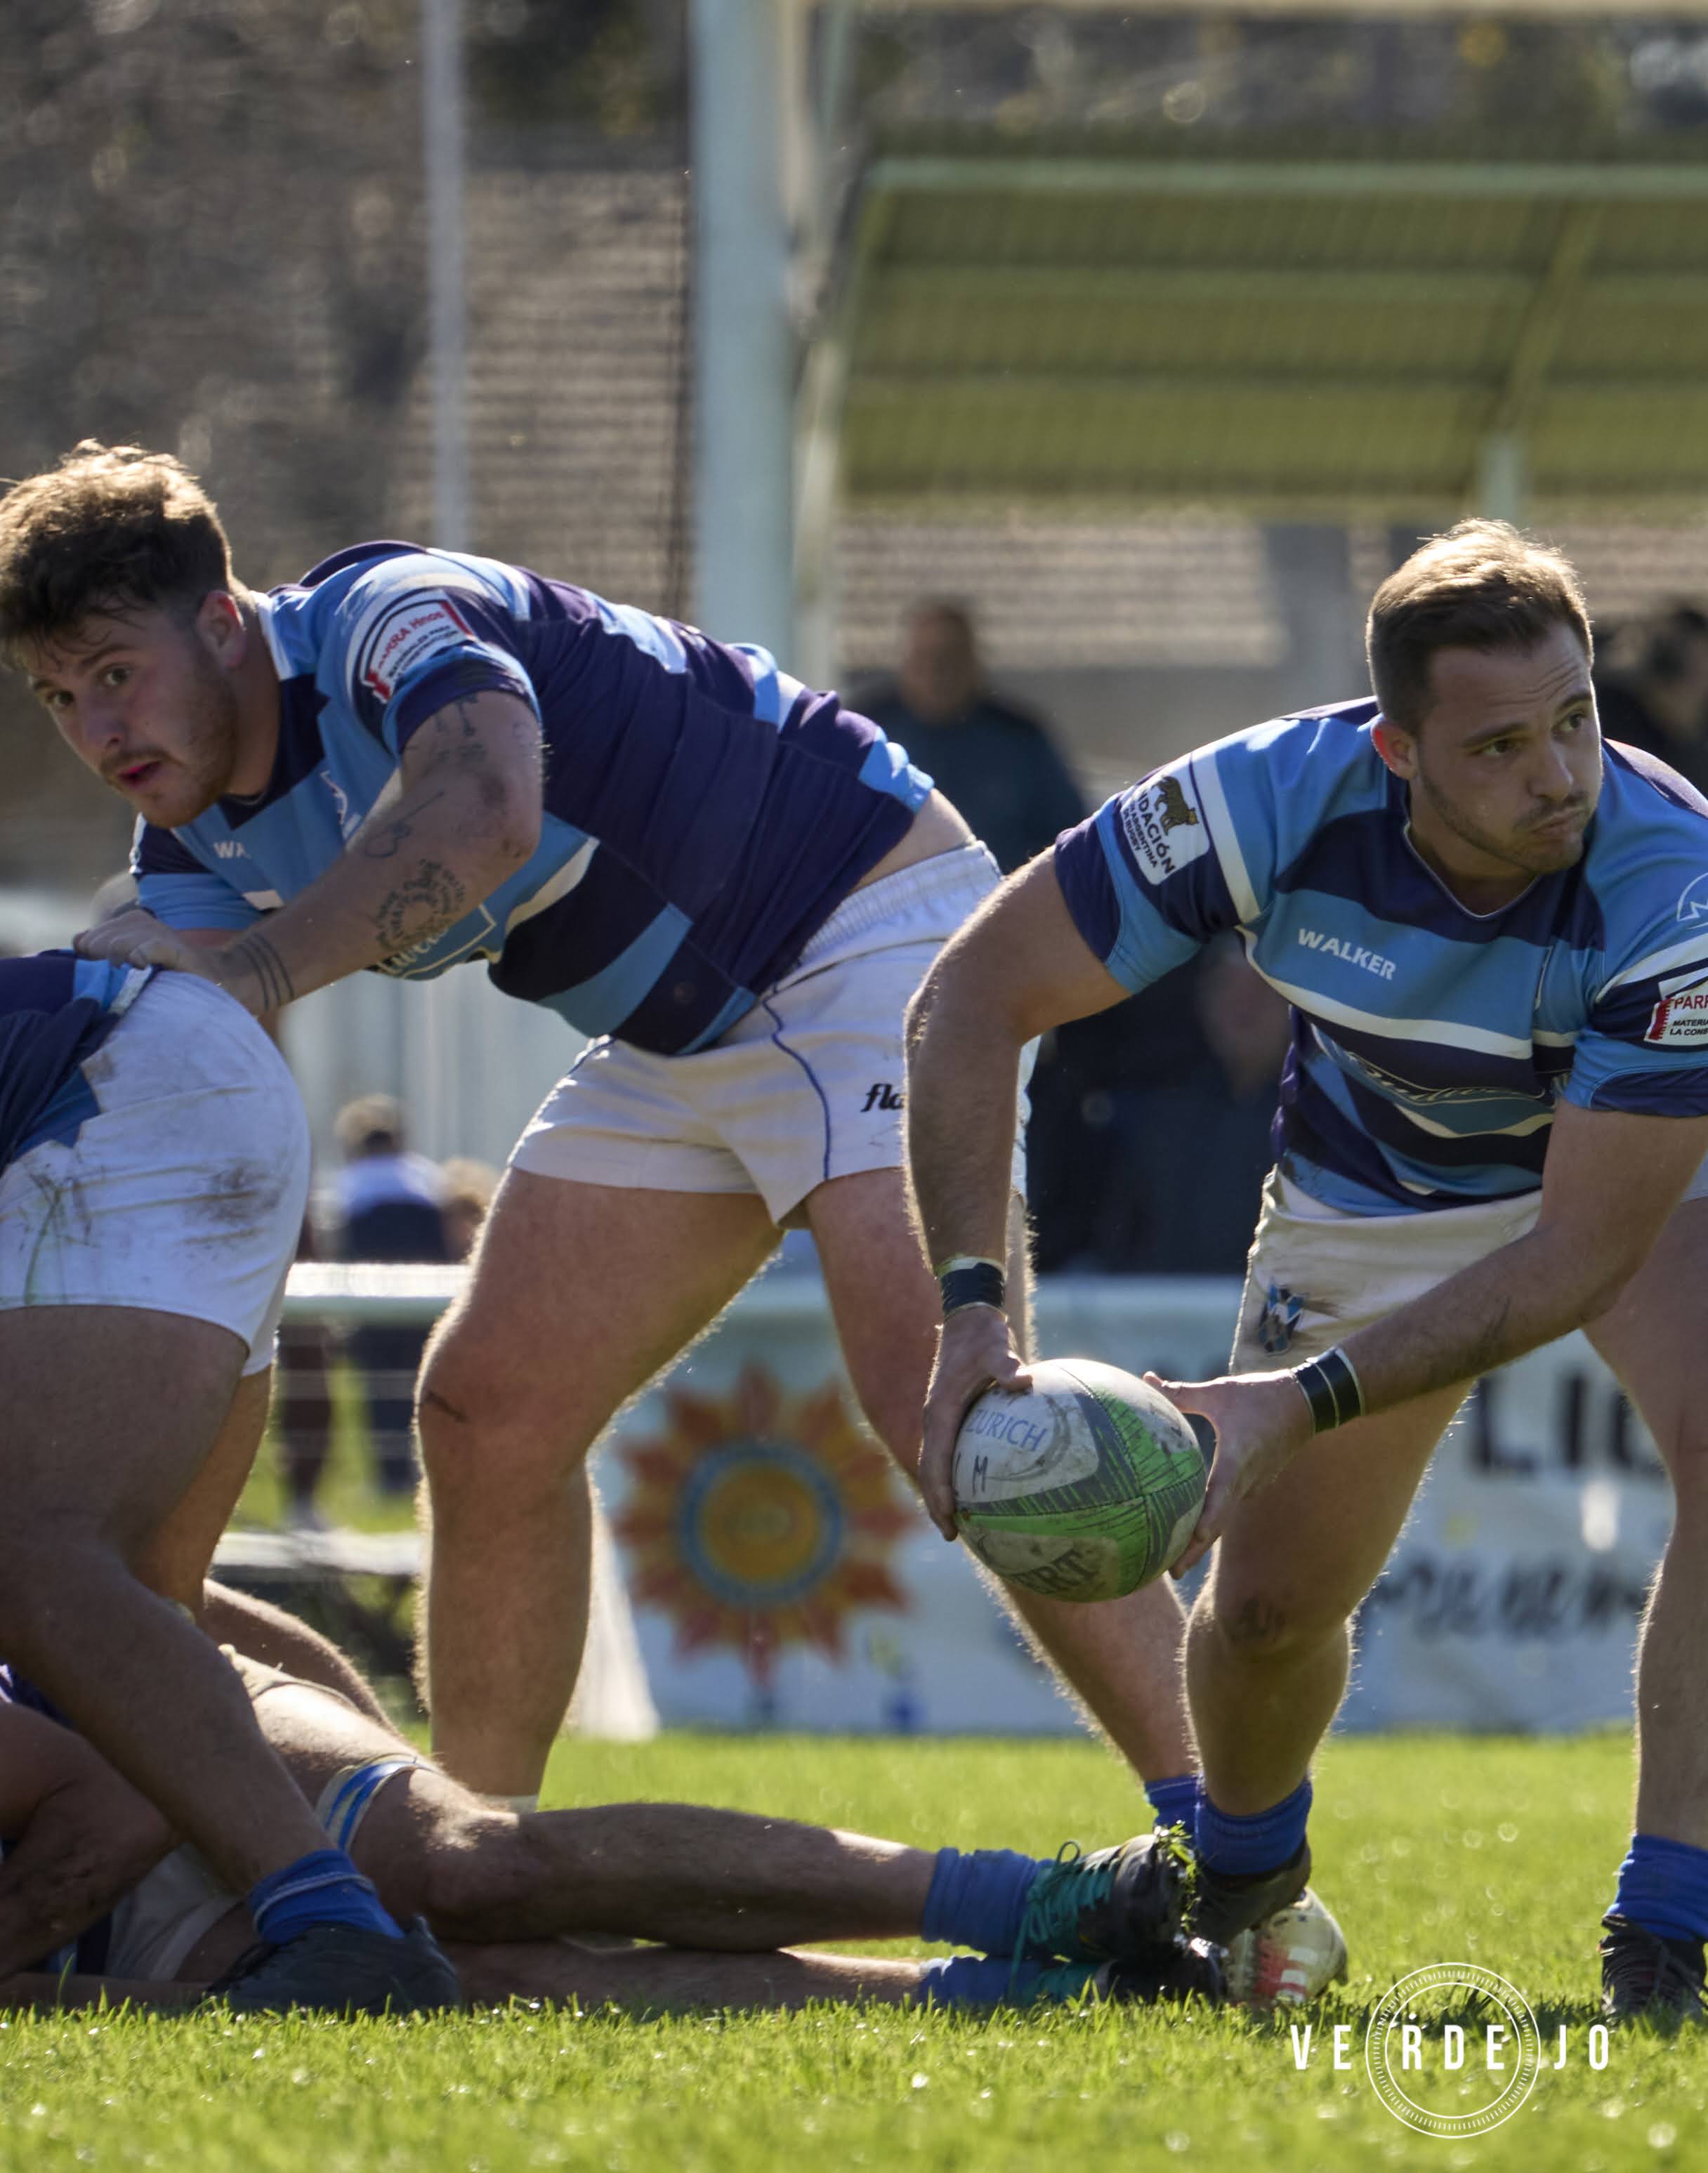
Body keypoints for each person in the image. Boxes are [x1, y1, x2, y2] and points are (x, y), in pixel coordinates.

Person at [1, 444, 1195, 1844]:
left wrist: (260, 971)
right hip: (691, 1031)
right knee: (485, 1410)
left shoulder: (387, 615)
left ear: (220, 619)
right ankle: (479, 1869)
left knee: (949, 1407)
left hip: (868, 929)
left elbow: (488, 809)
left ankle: (1235, 1844)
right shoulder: (187, 855)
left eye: (114, 670)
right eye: (56, 695)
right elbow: (193, 1140)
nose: (95, 726)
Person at [906, 521, 1708, 2025]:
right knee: (1265, 1618)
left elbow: (1583, 1252)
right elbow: (970, 1002)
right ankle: (1248, 1890)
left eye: (1578, 719)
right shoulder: (1255, 801)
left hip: (1635, 1157)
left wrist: (1293, 1398)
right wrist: (970, 1309)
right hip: (1370, 1177)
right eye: (1503, 744)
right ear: (1394, 748)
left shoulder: (1684, 879)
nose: (1561, 776)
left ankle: (1661, 1948)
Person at [0, 950, 455, 2013]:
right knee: (134, 1588)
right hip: (159, 1075)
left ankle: (336, 1915)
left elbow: (110, 1802)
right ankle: (932, 1970)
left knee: (43, 1556)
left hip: (131, 1085)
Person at [0, 1621, 1214, 2013]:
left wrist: (370, 1747)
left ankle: (1041, 1897)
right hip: (69, 1917)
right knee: (474, 1980)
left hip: (129, 1728)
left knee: (471, 1867)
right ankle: (1021, 1992)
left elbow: (113, 1791)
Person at [1088, 937, 1293, 1274]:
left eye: (1262, 988)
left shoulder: (1322, 1124)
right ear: (1202, 999)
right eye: (1226, 986)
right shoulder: (1157, 1120)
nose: (1243, 1005)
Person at [848, 598, 1089, 876]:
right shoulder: (868, 735)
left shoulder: (1020, 740)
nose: (935, 672)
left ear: (973, 662)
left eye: (949, 658)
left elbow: (1068, 841)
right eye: (924, 657)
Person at [327, 1095, 457, 1505]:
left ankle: (391, 1479)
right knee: (424, 1389)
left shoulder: (350, 1186)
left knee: (381, 1393)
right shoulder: (426, 1179)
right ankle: (429, 1477)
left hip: (373, 1302)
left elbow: (341, 1249)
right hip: (424, 1300)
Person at [1595, 603, 1708, 836]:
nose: (1680, 668)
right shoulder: (1617, 711)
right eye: (1668, 654)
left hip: (1704, 862)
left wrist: (1683, 725)